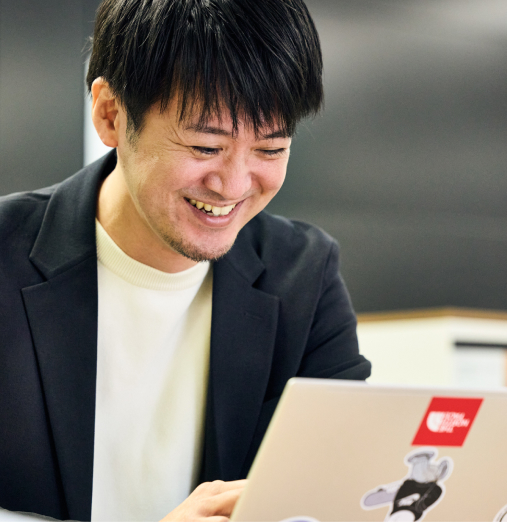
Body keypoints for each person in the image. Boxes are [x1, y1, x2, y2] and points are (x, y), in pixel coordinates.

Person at [0, 0, 371, 520]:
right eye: (204, 146)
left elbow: (344, 484)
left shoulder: (303, 277)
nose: (233, 185)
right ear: (110, 114)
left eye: (270, 150)